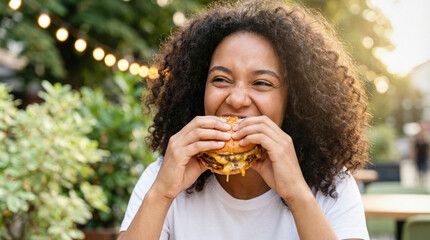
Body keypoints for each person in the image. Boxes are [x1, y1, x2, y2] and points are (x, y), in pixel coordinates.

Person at [118, 0, 371, 239]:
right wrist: (162, 193)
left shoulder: (330, 183)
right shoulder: (164, 176)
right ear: (198, 89)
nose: (237, 99)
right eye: (220, 79)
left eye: (262, 83)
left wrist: (297, 193)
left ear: (294, 101)